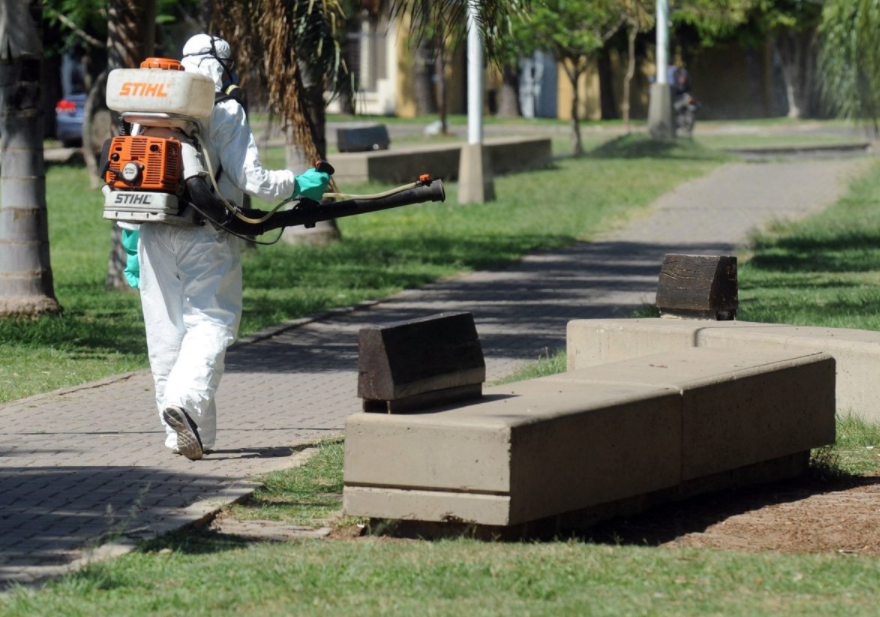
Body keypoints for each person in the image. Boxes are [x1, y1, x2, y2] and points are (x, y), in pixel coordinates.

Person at [123, 34, 330, 461]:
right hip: (206, 232)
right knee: (212, 322)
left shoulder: (148, 110)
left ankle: (187, 434)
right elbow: (253, 180)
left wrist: (129, 245)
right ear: (223, 67)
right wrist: (300, 183)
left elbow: (131, 181)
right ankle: (184, 404)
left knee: (166, 334)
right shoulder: (225, 110)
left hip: (151, 235)